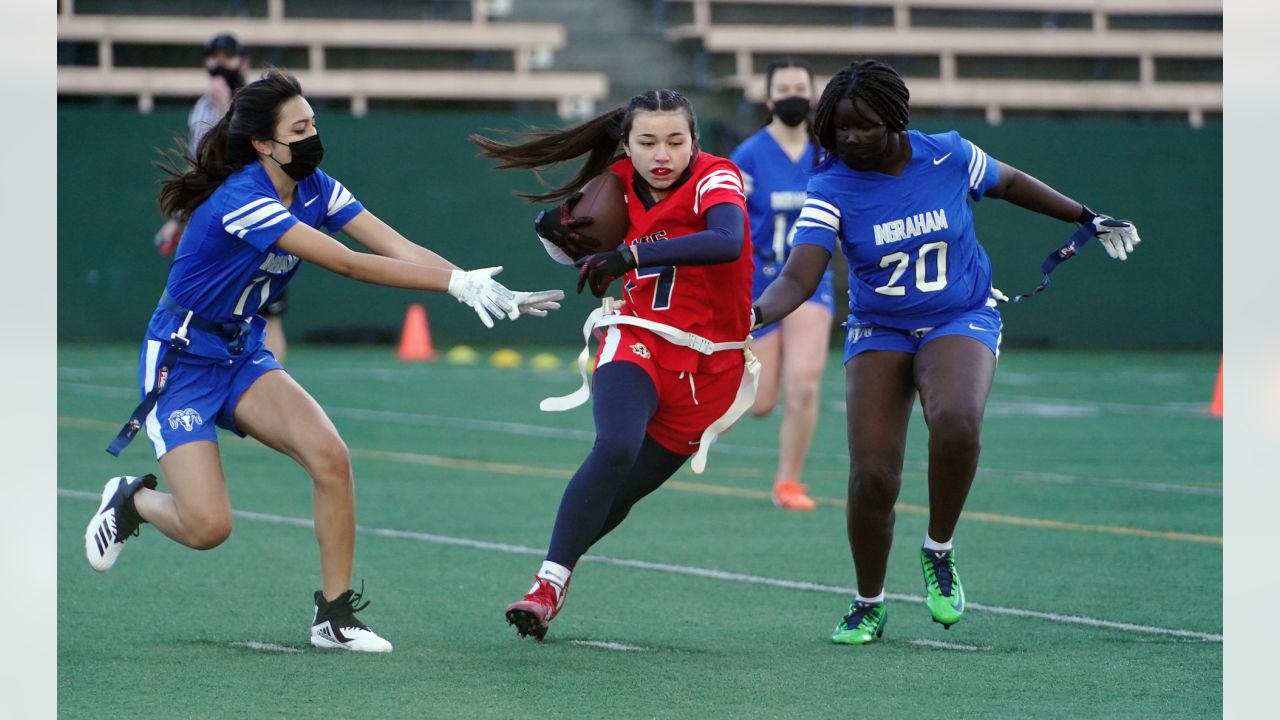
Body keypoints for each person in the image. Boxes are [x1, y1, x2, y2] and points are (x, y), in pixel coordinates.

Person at [85, 70, 564, 653]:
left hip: (239, 350)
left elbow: (398, 248)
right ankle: (132, 500)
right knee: (209, 527)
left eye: (314, 121)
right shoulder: (242, 198)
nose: (315, 135)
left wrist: (479, 285)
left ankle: (334, 617)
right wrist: (455, 286)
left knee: (330, 456)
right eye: (301, 127)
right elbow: (348, 263)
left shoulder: (317, 187)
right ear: (264, 143)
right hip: (182, 361)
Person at [752, 60, 1141, 645]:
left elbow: (1009, 182)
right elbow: (800, 277)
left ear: (895, 120)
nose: (850, 139)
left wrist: (1086, 216)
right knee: (873, 479)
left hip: (960, 314)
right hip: (878, 327)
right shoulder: (828, 185)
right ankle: (869, 601)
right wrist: (750, 314)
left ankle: (938, 550)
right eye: (839, 131)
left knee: (956, 419)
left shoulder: (949, 154)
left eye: (864, 127)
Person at [470, 89, 757, 641]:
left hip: (709, 369)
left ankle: (559, 572)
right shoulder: (618, 183)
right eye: (646, 141)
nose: (662, 154)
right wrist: (559, 233)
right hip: (639, 334)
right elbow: (563, 243)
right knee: (616, 445)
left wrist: (629, 254)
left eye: (676, 140)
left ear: (695, 141)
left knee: (621, 492)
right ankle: (545, 586)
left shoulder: (718, 177)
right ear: (625, 144)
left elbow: (727, 240)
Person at [729, 59, 835, 512]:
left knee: (806, 383)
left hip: (811, 278)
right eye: (783, 87)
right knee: (759, 400)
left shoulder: (827, 154)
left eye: (800, 86)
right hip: (760, 282)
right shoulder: (749, 156)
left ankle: (788, 482)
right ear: (768, 98)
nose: (793, 94)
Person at [154, 34, 293, 362]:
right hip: (217, 220)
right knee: (206, 305)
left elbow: (257, 158)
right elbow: (202, 167)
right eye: (212, 57)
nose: (218, 64)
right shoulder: (201, 107)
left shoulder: (256, 102)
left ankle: (271, 383)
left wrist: (225, 108)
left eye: (226, 57)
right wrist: (178, 218)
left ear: (243, 62)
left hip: (259, 211)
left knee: (267, 312)